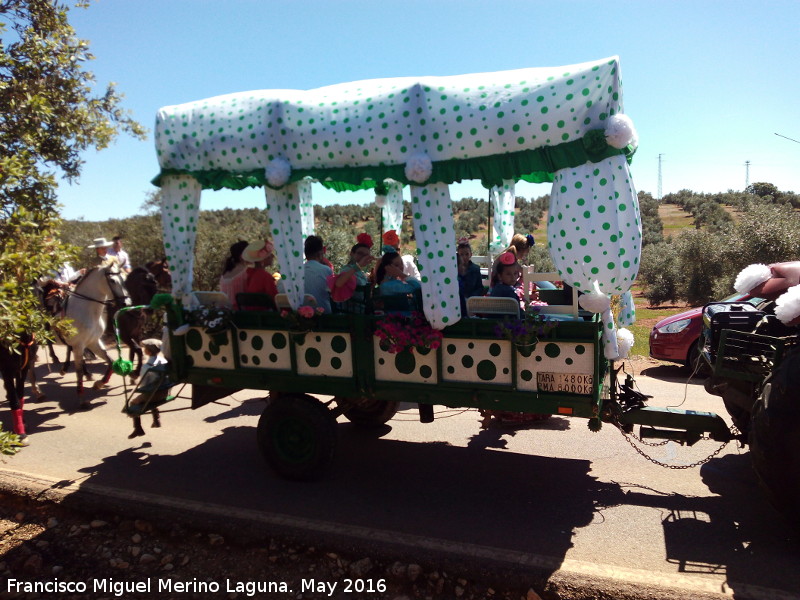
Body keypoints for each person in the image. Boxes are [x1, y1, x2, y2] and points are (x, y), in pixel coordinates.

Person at [128, 338, 168, 439]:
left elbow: (143, 385)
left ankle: (138, 428)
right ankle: (156, 419)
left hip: (154, 395)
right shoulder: (163, 361)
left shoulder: (147, 366)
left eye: (145, 348)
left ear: (148, 351)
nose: (143, 349)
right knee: (150, 393)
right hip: (164, 392)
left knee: (133, 402)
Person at [328, 234, 376, 312]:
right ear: (352, 254)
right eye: (360, 253)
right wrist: (358, 266)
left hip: (362, 311)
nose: (363, 257)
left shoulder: (361, 272)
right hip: (351, 314)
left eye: (366, 255)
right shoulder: (347, 269)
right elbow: (338, 283)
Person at [240, 240, 278, 310]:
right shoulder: (265, 276)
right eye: (270, 255)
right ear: (262, 260)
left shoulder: (249, 274)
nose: (273, 257)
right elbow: (275, 299)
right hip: (264, 316)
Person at [303, 235, 333, 313]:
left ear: (306, 254)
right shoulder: (326, 270)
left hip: (300, 314)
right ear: (320, 253)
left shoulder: (297, 271)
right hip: (323, 315)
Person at [488, 252, 523, 317]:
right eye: (508, 274)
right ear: (500, 276)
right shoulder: (509, 292)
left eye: (515, 273)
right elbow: (518, 314)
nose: (513, 277)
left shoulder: (496, 288)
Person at [457, 238, 484, 314]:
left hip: (472, 302)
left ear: (470, 254)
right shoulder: (455, 270)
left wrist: (472, 297)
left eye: (466, 254)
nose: (464, 257)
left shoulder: (475, 269)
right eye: (461, 254)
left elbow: (480, 287)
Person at [219, 240, 249, 309]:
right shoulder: (245, 272)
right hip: (240, 312)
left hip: (224, 311)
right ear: (242, 256)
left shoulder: (226, 272)